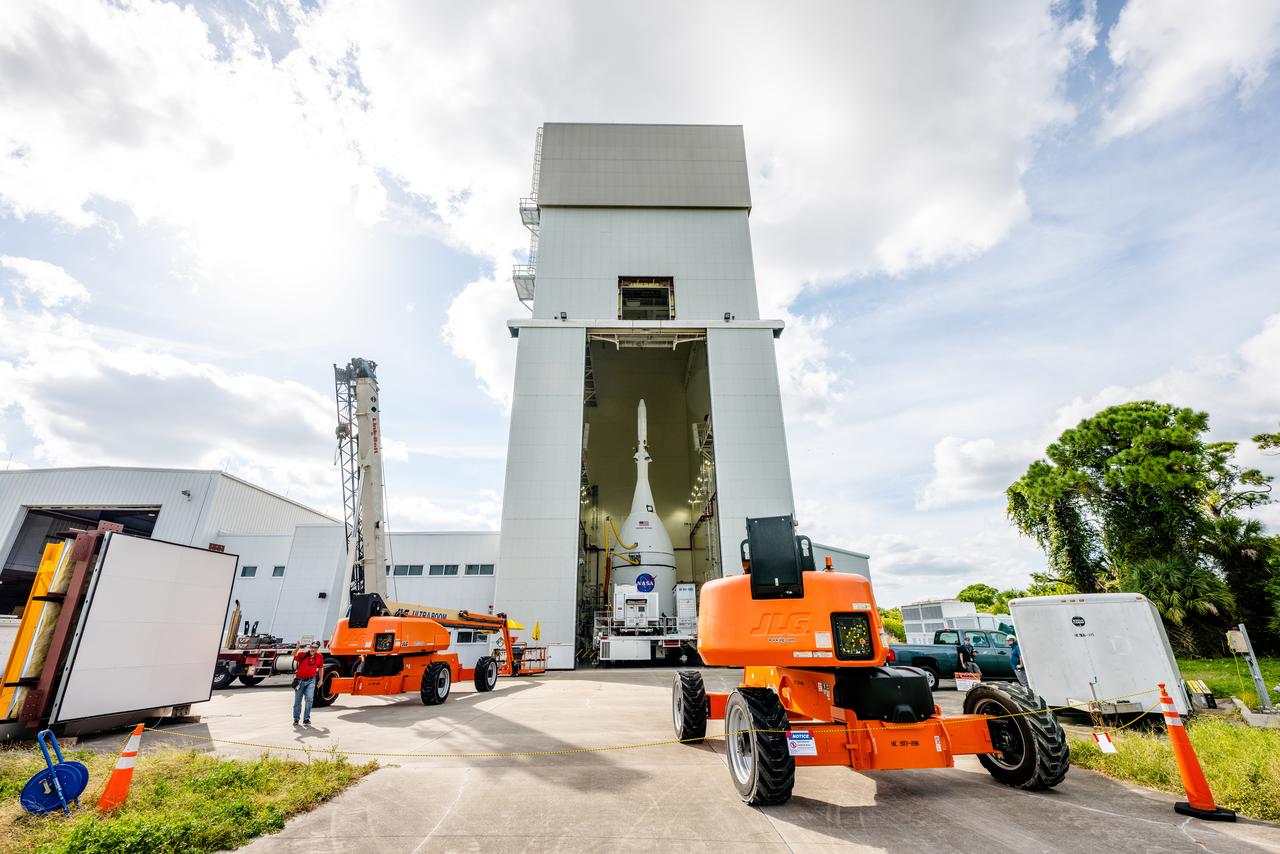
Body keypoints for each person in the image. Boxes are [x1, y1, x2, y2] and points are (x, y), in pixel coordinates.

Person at [292, 641, 323, 726]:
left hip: (311, 680)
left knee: (309, 699)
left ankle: (306, 719)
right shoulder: (303, 655)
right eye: (312, 647)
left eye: (315, 648)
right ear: (310, 647)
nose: (313, 649)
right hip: (300, 681)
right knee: (298, 701)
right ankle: (296, 719)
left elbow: (320, 668)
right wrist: (297, 648)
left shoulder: (319, 657)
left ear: (317, 649)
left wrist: (321, 679)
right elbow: (293, 654)